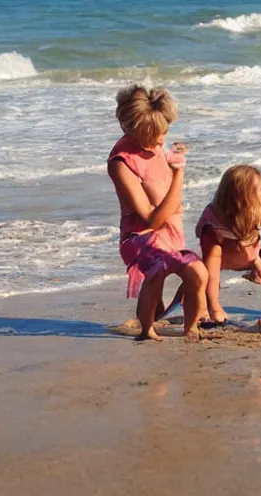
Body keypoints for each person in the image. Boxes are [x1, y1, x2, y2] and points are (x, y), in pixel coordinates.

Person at [107, 85, 208, 341]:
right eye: (158, 132)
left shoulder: (155, 147)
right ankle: (146, 328)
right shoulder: (121, 162)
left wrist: (172, 164)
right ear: (138, 129)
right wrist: (179, 173)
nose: (164, 137)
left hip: (168, 234)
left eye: (166, 129)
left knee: (198, 271)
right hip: (139, 237)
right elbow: (151, 219)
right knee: (160, 267)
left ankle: (190, 325)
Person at [195, 165, 261, 336]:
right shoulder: (215, 217)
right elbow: (211, 258)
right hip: (223, 257)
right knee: (207, 267)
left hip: (252, 256)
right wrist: (213, 305)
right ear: (240, 199)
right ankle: (208, 309)